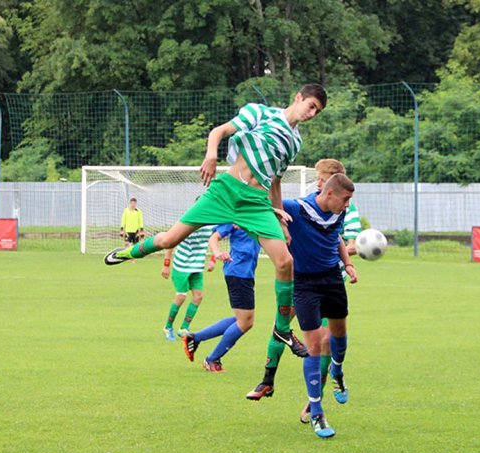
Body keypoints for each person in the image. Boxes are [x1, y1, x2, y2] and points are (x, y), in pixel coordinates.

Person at [104, 84, 328, 363]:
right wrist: (211, 155)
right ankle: (125, 252)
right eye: (311, 106)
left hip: (256, 203)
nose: (311, 113)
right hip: (225, 190)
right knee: (169, 240)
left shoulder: (295, 142)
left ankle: (282, 329)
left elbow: (276, 180)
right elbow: (218, 132)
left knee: (285, 262)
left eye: (317, 112)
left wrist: (278, 215)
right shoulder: (260, 113)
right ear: (298, 97)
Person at [246, 159, 362, 412]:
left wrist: (348, 262)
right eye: (318, 179)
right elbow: (273, 207)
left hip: (330, 280)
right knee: (281, 326)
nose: (316, 183)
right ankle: (267, 380)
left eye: (321, 179)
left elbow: (340, 237)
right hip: (300, 282)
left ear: (331, 183)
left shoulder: (344, 208)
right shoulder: (303, 206)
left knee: (325, 341)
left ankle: (316, 399)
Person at [183, 224, 261, 372]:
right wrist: (217, 253)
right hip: (238, 272)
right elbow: (214, 238)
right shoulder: (235, 216)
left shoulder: (257, 215)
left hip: (245, 273)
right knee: (245, 322)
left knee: (243, 320)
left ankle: (194, 338)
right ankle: (212, 359)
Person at [162, 226, 215, 341]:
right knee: (181, 296)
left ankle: (183, 328)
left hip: (197, 267)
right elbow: (170, 243)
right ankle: (168, 327)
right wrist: (166, 265)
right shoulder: (185, 225)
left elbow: (214, 240)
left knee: (198, 296)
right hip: (181, 267)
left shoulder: (209, 226)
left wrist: (213, 260)